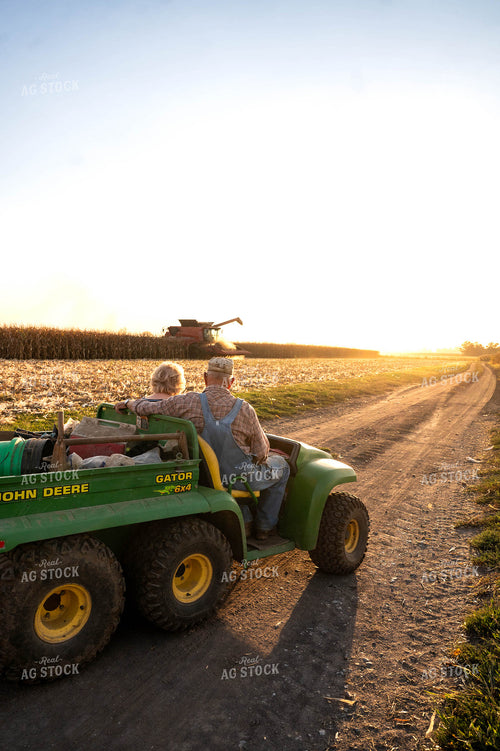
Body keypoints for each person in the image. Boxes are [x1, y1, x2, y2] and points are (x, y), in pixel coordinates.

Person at [115, 357, 290, 540]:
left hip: (204, 477)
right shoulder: (246, 410)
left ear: (205, 378)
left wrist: (128, 403)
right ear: (231, 382)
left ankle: (246, 517)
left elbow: (147, 408)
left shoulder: (187, 402)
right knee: (282, 468)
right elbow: (261, 453)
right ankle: (265, 527)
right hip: (239, 479)